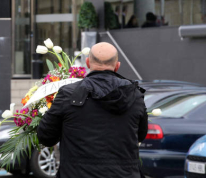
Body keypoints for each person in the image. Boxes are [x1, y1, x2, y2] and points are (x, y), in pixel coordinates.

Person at [37, 42, 148, 178]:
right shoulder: (134, 95)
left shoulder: (68, 94)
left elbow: (45, 137)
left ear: (88, 62)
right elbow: (140, 135)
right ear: (117, 66)